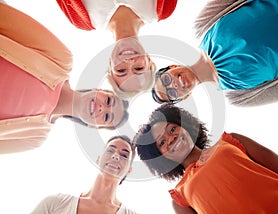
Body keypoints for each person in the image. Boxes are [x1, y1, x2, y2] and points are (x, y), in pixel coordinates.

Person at [0, 2, 128, 154]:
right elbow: (7, 19)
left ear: (93, 126)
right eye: (108, 100)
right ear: (98, 90)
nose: (102, 107)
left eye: (107, 117)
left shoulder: (34, 138)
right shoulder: (61, 58)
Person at [133, 104, 278, 213]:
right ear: (160, 157)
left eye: (172, 129)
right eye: (162, 142)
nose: (171, 138)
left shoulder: (231, 141)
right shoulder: (180, 198)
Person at [152, 0, 278, 106]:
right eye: (171, 93)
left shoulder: (203, 25)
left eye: (165, 80)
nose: (174, 85)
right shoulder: (240, 97)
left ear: (172, 66)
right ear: (185, 97)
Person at [56, 0, 177, 99]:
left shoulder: (80, 19)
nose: (129, 61)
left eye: (121, 70)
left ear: (110, 64)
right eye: (139, 68)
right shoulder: (163, 8)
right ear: (148, 60)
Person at [31, 135, 139, 214]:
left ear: (129, 170)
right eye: (110, 151)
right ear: (98, 159)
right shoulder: (55, 203)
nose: (115, 156)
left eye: (124, 155)